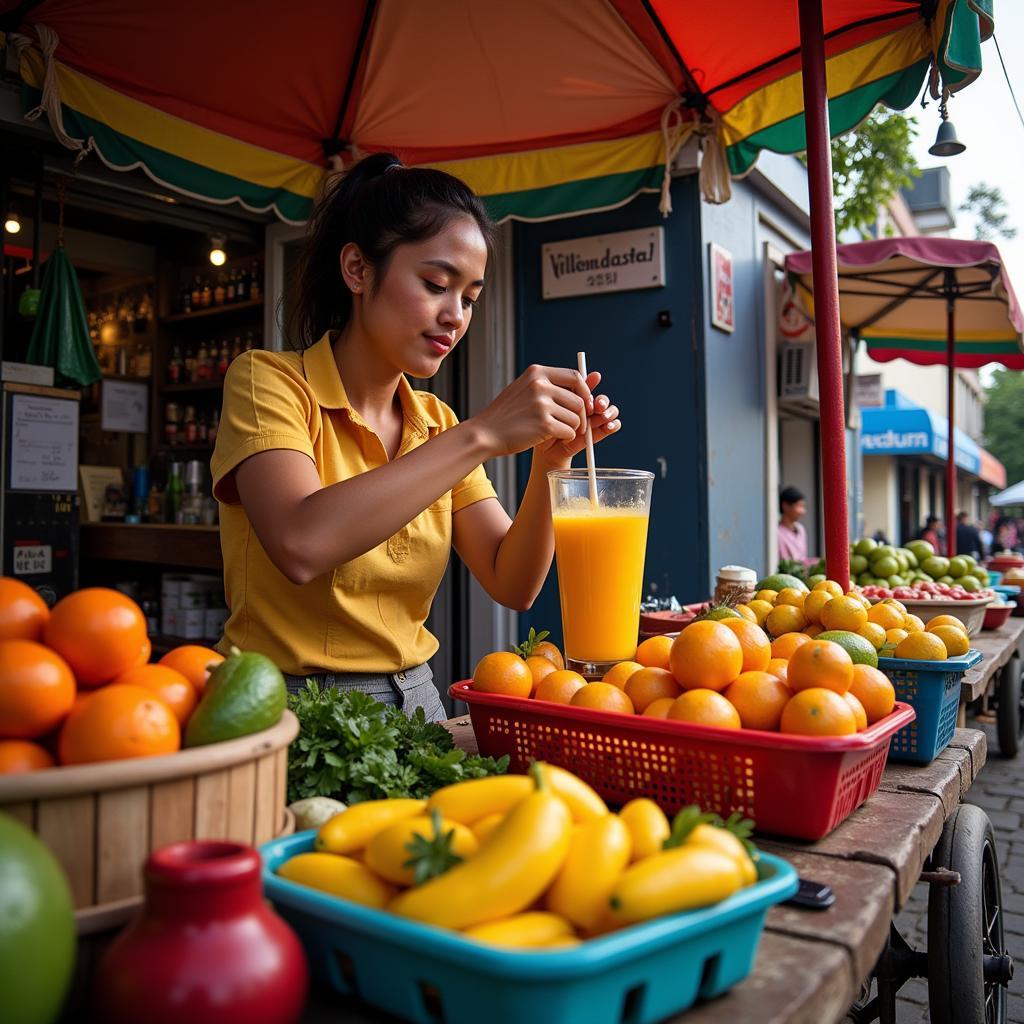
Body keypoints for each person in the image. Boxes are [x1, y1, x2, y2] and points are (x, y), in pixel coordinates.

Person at [211, 153, 621, 720]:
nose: (455, 315)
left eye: (471, 298)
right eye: (436, 284)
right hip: (283, 706)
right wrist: (481, 434)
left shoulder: (437, 423)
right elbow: (299, 542)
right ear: (357, 269)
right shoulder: (268, 381)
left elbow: (513, 581)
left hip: (418, 702)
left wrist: (549, 465)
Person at [777, 486, 808, 563]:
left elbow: (803, 559)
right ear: (785, 506)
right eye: (799, 506)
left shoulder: (801, 529)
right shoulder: (777, 532)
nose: (803, 511)